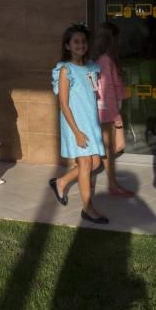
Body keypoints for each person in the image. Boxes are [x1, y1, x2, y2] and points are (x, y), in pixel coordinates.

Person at [49, 23, 108, 224]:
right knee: (85, 164)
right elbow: (64, 105)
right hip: (75, 124)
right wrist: (77, 132)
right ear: (67, 45)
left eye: (83, 41)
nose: (80, 45)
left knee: (96, 162)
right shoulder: (65, 70)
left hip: (90, 121)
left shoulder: (92, 67)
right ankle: (88, 208)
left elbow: (92, 94)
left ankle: (61, 182)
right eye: (76, 41)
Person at [93, 22, 133, 197]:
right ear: (112, 40)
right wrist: (117, 118)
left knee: (106, 151)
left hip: (106, 110)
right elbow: (107, 91)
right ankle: (62, 182)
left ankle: (113, 185)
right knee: (106, 152)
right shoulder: (106, 60)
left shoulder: (104, 59)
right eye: (117, 38)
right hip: (107, 112)